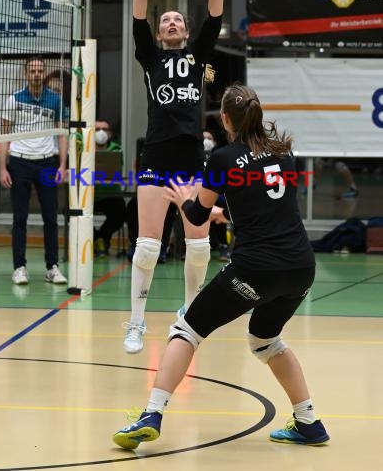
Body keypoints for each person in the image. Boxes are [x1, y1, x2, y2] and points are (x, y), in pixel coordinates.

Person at [113, 83, 329, 448]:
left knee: (187, 330)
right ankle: (308, 421)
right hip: (300, 268)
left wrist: (186, 200)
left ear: (226, 119)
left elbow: (195, 213)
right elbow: (266, 205)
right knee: (266, 340)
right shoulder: (284, 154)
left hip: (256, 269)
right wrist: (223, 213)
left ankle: (151, 414)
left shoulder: (224, 158)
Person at [122, 0, 224, 354]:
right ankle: (136, 323)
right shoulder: (150, 58)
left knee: (199, 245)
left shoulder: (198, 56)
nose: (170, 23)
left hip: (190, 161)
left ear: (184, 32)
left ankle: (189, 313)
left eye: (177, 20)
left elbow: (214, 18)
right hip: (157, 158)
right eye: (165, 20)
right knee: (148, 245)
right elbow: (136, 21)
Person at [0, 57, 68, 285]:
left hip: (47, 163)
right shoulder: (14, 99)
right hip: (19, 163)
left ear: (45, 74)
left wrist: (62, 165)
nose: (36, 74)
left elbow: (62, 134)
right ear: (26, 74)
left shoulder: (56, 100)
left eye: (40, 71)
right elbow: (4, 136)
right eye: (32, 71)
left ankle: (52, 267)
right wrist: (2, 168)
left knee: (50, 217)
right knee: (20, 218)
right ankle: (19, 267)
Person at [93, 118, 126, 258]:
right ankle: (100, 242)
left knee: (120, 212)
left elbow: (116, 170)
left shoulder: (117, 149)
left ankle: (101, 238)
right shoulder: (83, 150)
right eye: (97, 129)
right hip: (90, 196)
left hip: (110, 195)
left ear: (110, 134)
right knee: (74, 212)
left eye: (104, 129)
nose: (101, 132)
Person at [203, 129, 230, 262]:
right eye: (203, 138)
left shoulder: (218, 156)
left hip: (216, 193)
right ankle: (190, 247)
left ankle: (223, 246)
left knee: (218, 205)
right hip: (198, 193)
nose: (206, 141)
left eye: (209, 138)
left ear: (213, 142)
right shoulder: (195, 156)